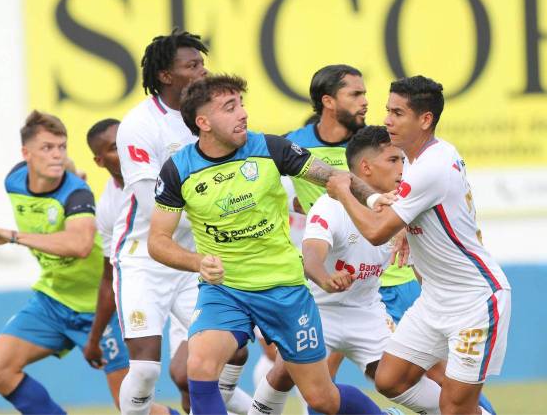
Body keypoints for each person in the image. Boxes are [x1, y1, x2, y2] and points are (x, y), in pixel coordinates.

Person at [148, 74, 398, 415]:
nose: (243, 114)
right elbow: (157, 241)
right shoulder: (178, 170)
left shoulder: (270, 148)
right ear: (202, 122)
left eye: (241, 104)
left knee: (321, 399)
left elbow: (336, 178)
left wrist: (372, 201)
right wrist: (197, 262)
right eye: (229, 107)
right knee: (201, 366)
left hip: (284, 289)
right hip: (225, 289)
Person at [326, 75, 511, 414]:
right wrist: (406, 227)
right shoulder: (423, 158)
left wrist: (344, 192)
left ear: (425, 120)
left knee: (455, 406)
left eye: (398, 113)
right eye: (387, 110)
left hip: (474, 300)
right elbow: (414, 208)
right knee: (389, 378)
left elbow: (376, 232)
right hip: (435, 300)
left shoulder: (430, 168)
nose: (387, 120)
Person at [250, 125, 444, 415]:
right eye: (393, 160)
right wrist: (326, 279)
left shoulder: (403, 208)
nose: (402, 167)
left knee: (401, 381)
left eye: (403, 159)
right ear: (365, 167)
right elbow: (312, 254)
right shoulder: (330, 206)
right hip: (319, 311)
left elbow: (426, 267)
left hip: (367, 313)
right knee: (286, 377)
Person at [111, 30, 248, 415]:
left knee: (234, 349)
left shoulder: (212, 118)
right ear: (166, 76)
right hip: (145, 258)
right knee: (145, 370)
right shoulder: (139, 125)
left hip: (197, 259)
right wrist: (221, 212)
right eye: (192, 65)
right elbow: (147, 200)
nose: (204, 71)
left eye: (202, 63)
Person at [87, 118, 251, 415]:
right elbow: (108, 273)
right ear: (100, 160)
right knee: (155, 372)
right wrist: (95, 336)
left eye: (122, 146)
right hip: (147, 276)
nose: (121, 153)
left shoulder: (169, 172)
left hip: (190, 271)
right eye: (112, 149)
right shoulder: (110, 206)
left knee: (233, 351)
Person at [0, 111, 128, 413]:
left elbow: (79, 245)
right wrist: (67, 167)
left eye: (62, 147)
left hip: (101, 307)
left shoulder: (77, 194)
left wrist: (14, 236)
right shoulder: (14, 180)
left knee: (132, 406)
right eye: (47, 148)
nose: (56, 155)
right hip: (53, 301)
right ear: (25, 154)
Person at [285, 64, 366, 213]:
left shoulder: (378, 144)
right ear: (328, 101)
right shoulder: (291, 144)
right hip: (317, 236)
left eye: (363, 94)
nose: (365, 102)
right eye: (355, 94)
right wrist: (292, 204)